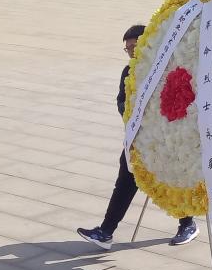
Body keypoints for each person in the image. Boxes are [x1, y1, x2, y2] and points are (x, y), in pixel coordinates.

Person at [77, 24, 198, 251]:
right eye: (128, 49)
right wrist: (131, 115)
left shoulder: (167, 68)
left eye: (134, 46)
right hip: (138, 139)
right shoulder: (129, 72)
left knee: (174, 179)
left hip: (167, 139)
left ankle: (187, 224)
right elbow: (121, 101)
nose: (132, 52)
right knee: (125, 180)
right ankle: (106, 231)